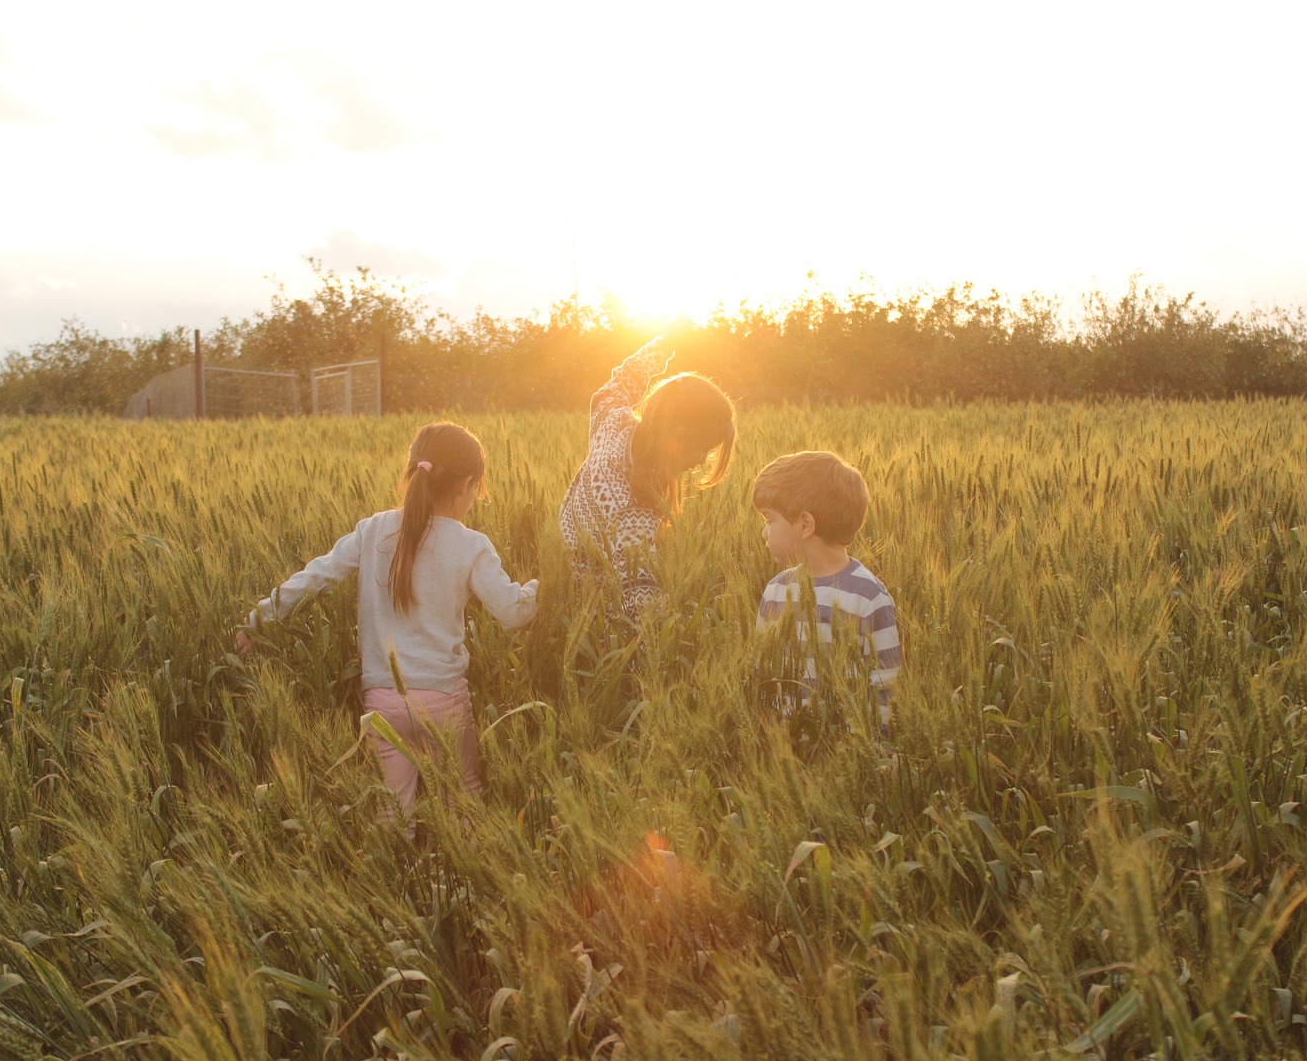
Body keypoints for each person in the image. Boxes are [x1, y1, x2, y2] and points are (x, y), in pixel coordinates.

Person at [235, 422, 538, 816]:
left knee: (392, 812)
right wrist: (540, 586)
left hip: (382, 702)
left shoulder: (374, 529)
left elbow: (316, 576)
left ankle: (393, 873)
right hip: (444, 701)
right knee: (463, 800)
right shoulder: (470, 545)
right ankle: (461, 873)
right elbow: (512, 613)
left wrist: (260, 618)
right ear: (468, 485)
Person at [559, 326, 736, 620]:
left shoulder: (613, 420)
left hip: (574, 534)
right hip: (594, 583)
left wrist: (665, 344)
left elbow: (620, 382)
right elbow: (638, 593)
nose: (704, 460)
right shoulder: (634, 506)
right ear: (679, 437)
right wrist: (677, 623)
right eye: (704, 449)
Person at [752, 450, 902, 731]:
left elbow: (887, 690)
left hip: (846, 754)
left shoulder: (868, 597)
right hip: (783, 751)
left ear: (806, 524)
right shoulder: (775, 591)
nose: (764, 533)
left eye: (769, 520)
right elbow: (761, 671)